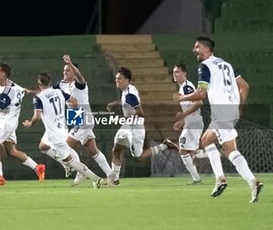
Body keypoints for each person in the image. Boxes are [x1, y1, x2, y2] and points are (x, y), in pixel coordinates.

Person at [173, 36, 263, 203]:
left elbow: (201, 94)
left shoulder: (205, 66)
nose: (194, 51)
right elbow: (244, 86)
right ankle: (245, 182)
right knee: (217, 144)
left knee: (218, 145)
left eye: (197, 47)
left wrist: (181, 98)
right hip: (231, 110)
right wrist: (239, 108)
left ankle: (229, 180)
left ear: (207, 49)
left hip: (222, 111)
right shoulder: (226, 64)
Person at [22, 72, 103, 188]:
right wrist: (73, 115)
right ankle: (67, 165)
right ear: (50, 82)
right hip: (61, 128)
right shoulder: (58, 92)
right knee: (43, 146)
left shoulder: (38, 98)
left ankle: (95, 178)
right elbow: (74, 101)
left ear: (39, 83)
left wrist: (30, 124)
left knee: (69, 159)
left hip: (55, 135)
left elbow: (37, 116)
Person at [107, 67, 179, 185]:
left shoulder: (130, 94)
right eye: (116, 78)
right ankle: (114, 179)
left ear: (127, 80)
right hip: (127, 126)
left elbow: (140, 113)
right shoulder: (127, 90)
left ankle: (165, 145)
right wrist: (115, 103)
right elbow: (125, 102)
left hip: (135, 127)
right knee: (116, 149)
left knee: (139, 156)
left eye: (119, 78)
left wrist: (125, 119)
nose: (117, 81)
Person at [51, 54, 116, 185]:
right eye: (64, 70)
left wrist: (70, 63)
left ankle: (81, 172)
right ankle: (112, 176)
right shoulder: (61, 85)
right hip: (76, 118)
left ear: (74, 72)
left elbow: (80, 77)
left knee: (63, 147)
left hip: (84, 120)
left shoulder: (80, 84)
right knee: (93, 151)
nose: (65, 72)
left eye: (68, 70)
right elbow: (48, 92)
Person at [172, 62, 203, 185]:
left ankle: (196, 178)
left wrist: (183, 115)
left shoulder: (186, 87)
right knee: (188, 151)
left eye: (177, 72)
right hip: (192, 122)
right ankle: (196, 177)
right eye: (174, 72)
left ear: (184, 73)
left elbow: (199, 102)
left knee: (183, 149)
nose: (174, 74)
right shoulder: (182, 87)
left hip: (194, 123)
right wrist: (182, 120)